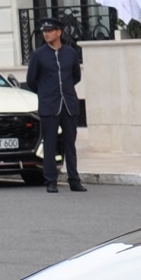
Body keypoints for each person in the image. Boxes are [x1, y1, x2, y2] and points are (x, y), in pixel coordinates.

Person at [24, 18, 86, 192]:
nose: (46, 34)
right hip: (49, 105)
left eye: (50, 30)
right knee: (49, 143)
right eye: (44, 31)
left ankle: (74, 179)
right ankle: (50, 180)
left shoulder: (70, 53)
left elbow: (76, 76)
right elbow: (31, 80)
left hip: (68, 104)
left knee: (70, 144)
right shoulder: (38, 54)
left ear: (59, 32)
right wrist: (45, 92)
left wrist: (65, 90)